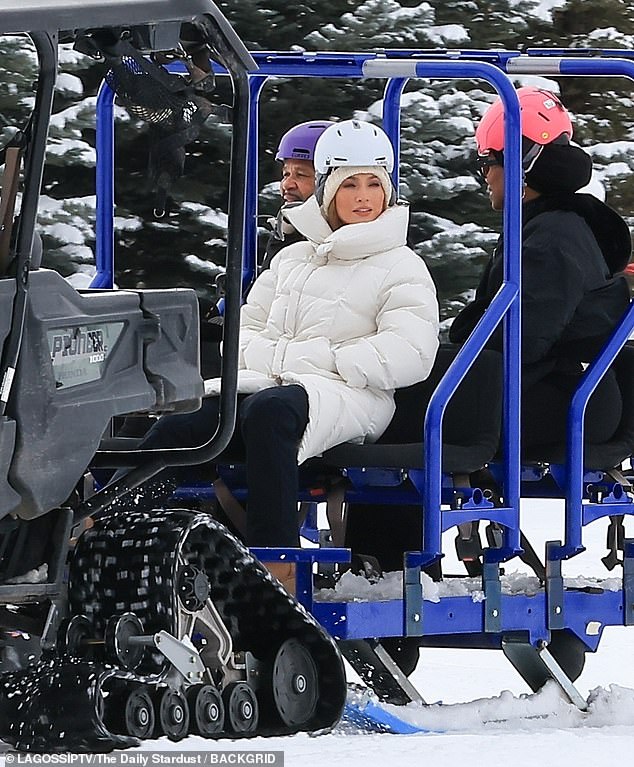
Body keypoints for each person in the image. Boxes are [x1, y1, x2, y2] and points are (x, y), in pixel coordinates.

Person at [120, 119, 440, 590]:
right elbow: (242, 336)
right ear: (329, 191)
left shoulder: (401, 266)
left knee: (271, 414)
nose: (363, 197)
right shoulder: (292, 260)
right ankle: (127, 535)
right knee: (182, 424)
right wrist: (281, 362)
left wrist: (318, 361)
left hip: (353, 394)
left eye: (375, 184)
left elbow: (410, 352)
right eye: (350, 184)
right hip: (274, 382)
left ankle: (275, 565)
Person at [449, 86, 631, 450]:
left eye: (488, 162)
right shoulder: (542, 225)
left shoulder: (554, 236)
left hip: (566, 401)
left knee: (405, 413)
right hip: (556, 389)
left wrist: (463, 336)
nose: (484, 175)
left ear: (520, 163)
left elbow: (524, 338)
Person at [260, 120, 334, 271]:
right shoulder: (287, 232)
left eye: (300, 175)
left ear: (331, 181)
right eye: (286, 174)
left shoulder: (347, 245)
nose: (287, 185)